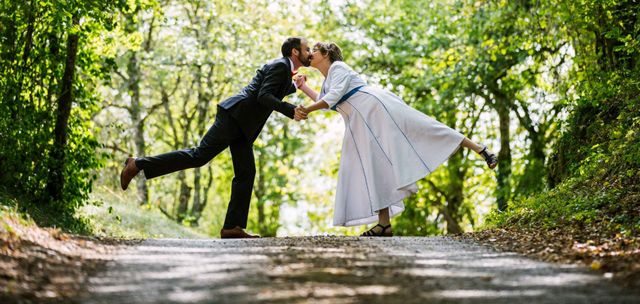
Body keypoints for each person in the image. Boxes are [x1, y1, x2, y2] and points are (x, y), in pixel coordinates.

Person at [295, 42, 498, 237]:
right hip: (361, 121)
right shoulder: (328, 78)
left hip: (376, 108)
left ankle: (481, 149)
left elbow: (333, 97)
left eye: (314, 49)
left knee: (423, 127)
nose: (311, 53)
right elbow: (326, 100)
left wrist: (307, 110)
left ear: (326, 54)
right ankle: (384, 224)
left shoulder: (338, 67)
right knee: (375, 166)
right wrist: (303, 87)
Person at [119, 37, 312, 239]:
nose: (310, 53)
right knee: (199, 156)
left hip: (243, 124)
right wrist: (291, 110)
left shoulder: (283, 68)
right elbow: (263, 96)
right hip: (235, 117)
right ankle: (137, 164)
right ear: (295, 52)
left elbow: (270, 90)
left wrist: (294, 86)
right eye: (307, 49)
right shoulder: (280, 66)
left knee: (246, 172)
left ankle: (232, 227)